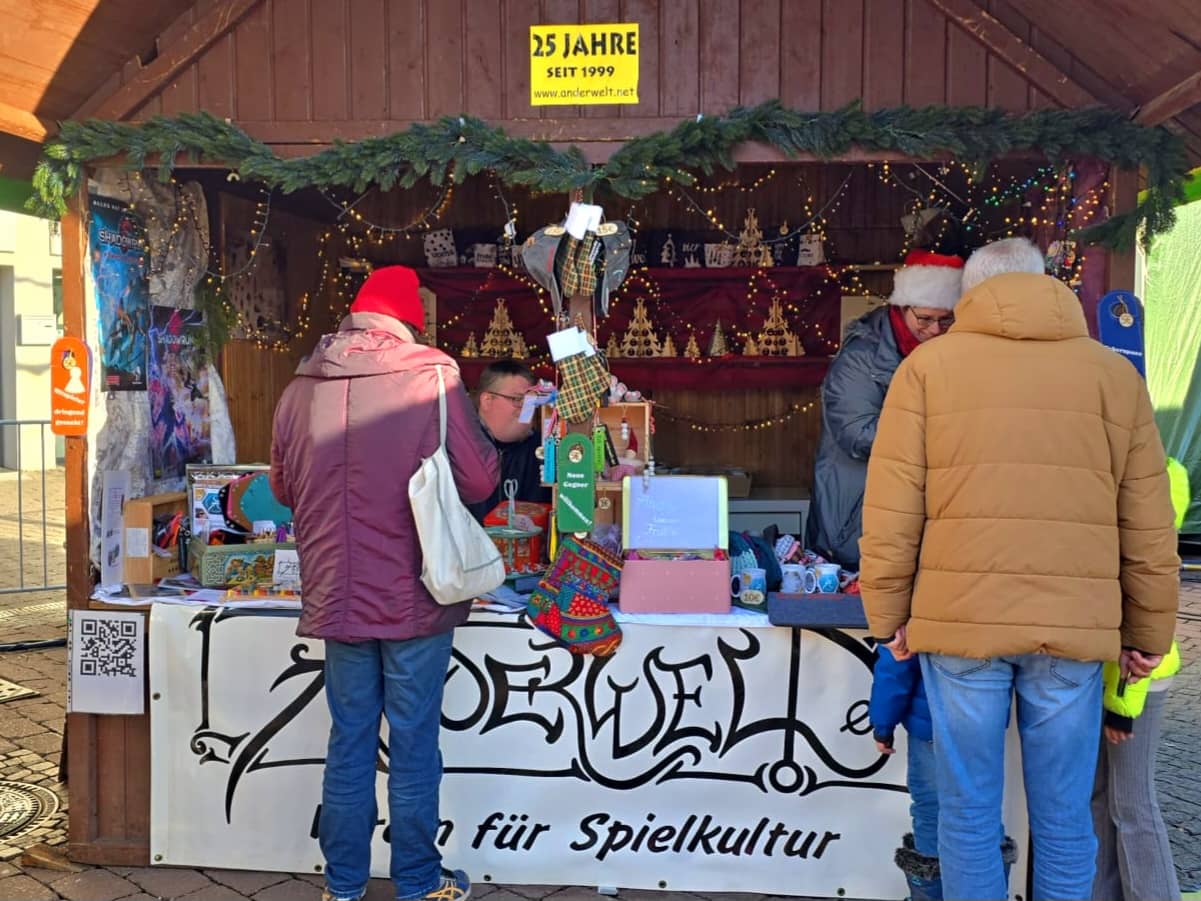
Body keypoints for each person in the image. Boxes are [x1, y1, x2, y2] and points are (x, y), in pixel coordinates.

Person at [859, 236, 1180, 901]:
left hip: (960, 629)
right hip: (1071, 630)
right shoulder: (1110, 374)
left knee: (968, 814)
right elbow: (1148, 520)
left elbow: (890, 510)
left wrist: (887, 616)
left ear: (968, 296)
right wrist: (1150, 630)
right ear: (1045, 284)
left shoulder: (925, 371)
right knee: (1063, 820)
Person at [270, 265, 499, 901]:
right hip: (413, 592)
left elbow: (283, 489)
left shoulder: (298, 387)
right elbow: (479, 482)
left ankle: (341, 886)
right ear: (407, 318)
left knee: (349, 740)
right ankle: (420, 883)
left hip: (334, 594)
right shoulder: (431, 375)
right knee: (414, 742)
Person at [805, 249, 964, 570]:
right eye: (925, 319)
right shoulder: (862, 356)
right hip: (854, 519)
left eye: (945, 319)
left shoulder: (952, 352)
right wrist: (941, 435)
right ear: (902, 308)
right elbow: (858, 435)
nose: (935, 330)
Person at [1092, 640, 1182, 901]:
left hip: (1132, 683)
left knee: (1132, 801)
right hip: (1103, 678)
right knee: (1099, 798)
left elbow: (1146, 625)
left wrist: (1123, 707)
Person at [467, 359, 552, 523]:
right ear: (487, 401)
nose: (526, 408)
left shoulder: (544, 448)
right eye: (517, 399)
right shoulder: (461, 446)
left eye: (529, 401)